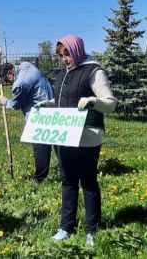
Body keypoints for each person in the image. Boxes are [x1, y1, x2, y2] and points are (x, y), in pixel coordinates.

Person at [41, 34, 116, 246]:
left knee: (88, 182)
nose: (65, 59)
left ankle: (92, 229)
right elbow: (61, 101)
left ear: (77, 50)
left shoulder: (94, 71)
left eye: (67, 54)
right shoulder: (61, 75)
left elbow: (110, 103)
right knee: (68, 181)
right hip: (64, 133)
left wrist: (92, 101)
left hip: (87, 135)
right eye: (61, 55)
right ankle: (66, 227)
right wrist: (46, 104)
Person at [0, 61, 55, 182]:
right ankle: (71, 171)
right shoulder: (26, 65)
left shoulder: (21, 83)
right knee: (59, 143)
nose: (8, 83)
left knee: (41, 147)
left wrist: (5, 101)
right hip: (53, 105)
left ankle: (40, 179)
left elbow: (17, 104)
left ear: (10, 72)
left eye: (6, 79)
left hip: (40, 116)